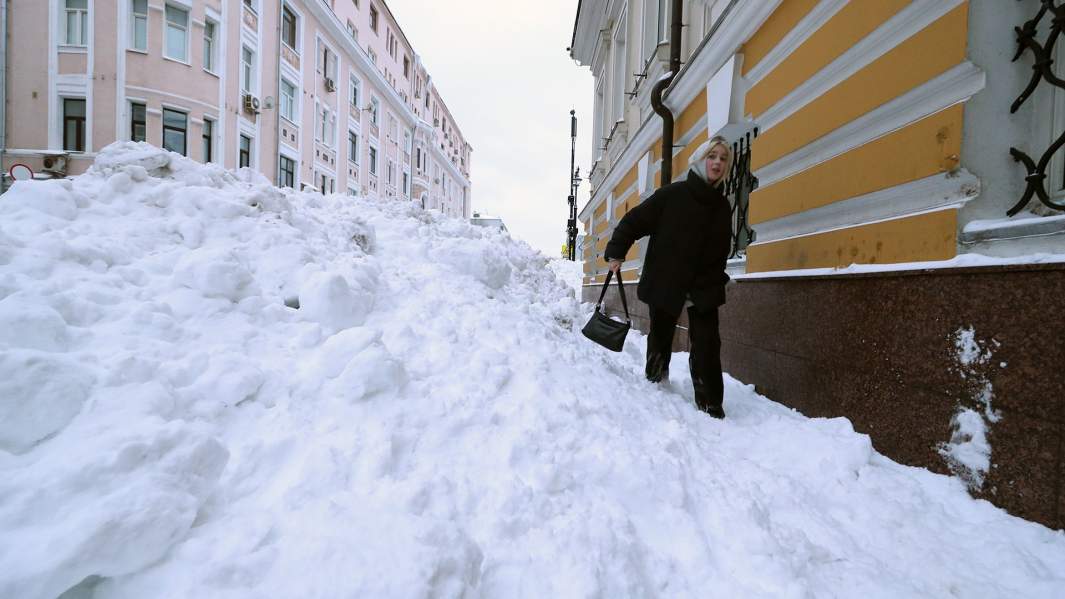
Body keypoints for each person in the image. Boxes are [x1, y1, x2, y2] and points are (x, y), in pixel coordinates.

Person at [603, 136, 733, 418]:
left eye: (723, 158)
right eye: (713, 156)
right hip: (667, 279)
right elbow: (634, 221)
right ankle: (655, 379)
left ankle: (711, 401)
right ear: (701, 160)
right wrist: (616, 252)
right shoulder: (673, 195)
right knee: (661, 336)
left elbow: (722, 248)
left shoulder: (723, 207)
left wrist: (717, 278)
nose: (718, 163)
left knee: (708, 342)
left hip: (703, 286)